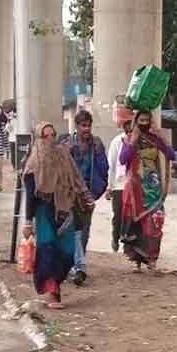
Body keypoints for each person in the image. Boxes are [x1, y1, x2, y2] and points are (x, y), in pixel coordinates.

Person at [23, 122, 92, 309]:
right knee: (48, 251)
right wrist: (28, 222)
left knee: (68, 252)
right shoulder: (33, 164)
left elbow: (76, 178)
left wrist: (86, 196)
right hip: (44, 212)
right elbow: (30, 195)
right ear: (39, 138)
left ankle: (57, 284)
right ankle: (54, 293)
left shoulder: (64, 157)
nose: (51, 139)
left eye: (53, 135)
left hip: (65, 209)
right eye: (46, 136)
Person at [119, 110, 175, 273]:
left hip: (152, 187)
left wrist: (162, 137)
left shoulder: (154, 139)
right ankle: (137, 261)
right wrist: (133, 140)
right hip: (135, 188)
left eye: (146, 120)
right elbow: (123, 160)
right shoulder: (129, 139)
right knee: (135, 223)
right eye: (141, 120)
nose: (144, 123)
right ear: (136, 122)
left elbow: (171, 155)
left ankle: (152, 259)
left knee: (155, 221)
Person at [68, 110, 109, 285]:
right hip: (69, 194)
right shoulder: (68, 144)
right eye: (83, 125)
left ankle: (79, 266)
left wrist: (95, 193)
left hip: (87, 194)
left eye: (89, 125)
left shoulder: (96, 144)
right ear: (77, 126)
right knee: (70, 230)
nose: (86, 129)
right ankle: (75, 266)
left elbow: (103, 169)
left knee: (83, 231)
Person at [106, 119, 133, 253]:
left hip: (134, 184)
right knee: (118, 215)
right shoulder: (117, 141)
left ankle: (128, 245)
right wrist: (109, 186)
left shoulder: (140, 141)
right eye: (127, 130)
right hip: (119, 185)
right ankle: (115, 239)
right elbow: (111, 165)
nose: (130, 132)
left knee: (132, 216)